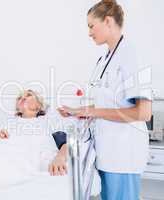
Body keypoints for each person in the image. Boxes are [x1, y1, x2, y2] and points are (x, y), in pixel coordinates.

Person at [58, 0, 152, 199]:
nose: (89, 32)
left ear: (108, 21)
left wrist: (92, 112)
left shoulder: (130, 53)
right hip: (107, 151)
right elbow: (107, 104)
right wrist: (79, 111)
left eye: (91, 26)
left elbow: (143, 113)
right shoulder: (104, 59)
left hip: (123, 153)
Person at [0, 89, 68, 176]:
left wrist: (60, 157)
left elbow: (67, 143)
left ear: (39, 105)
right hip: (2, 165)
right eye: (19, 98)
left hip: (37, 169)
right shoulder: (6, 121)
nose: (22, 98)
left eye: (28, 95)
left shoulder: (46, 120)